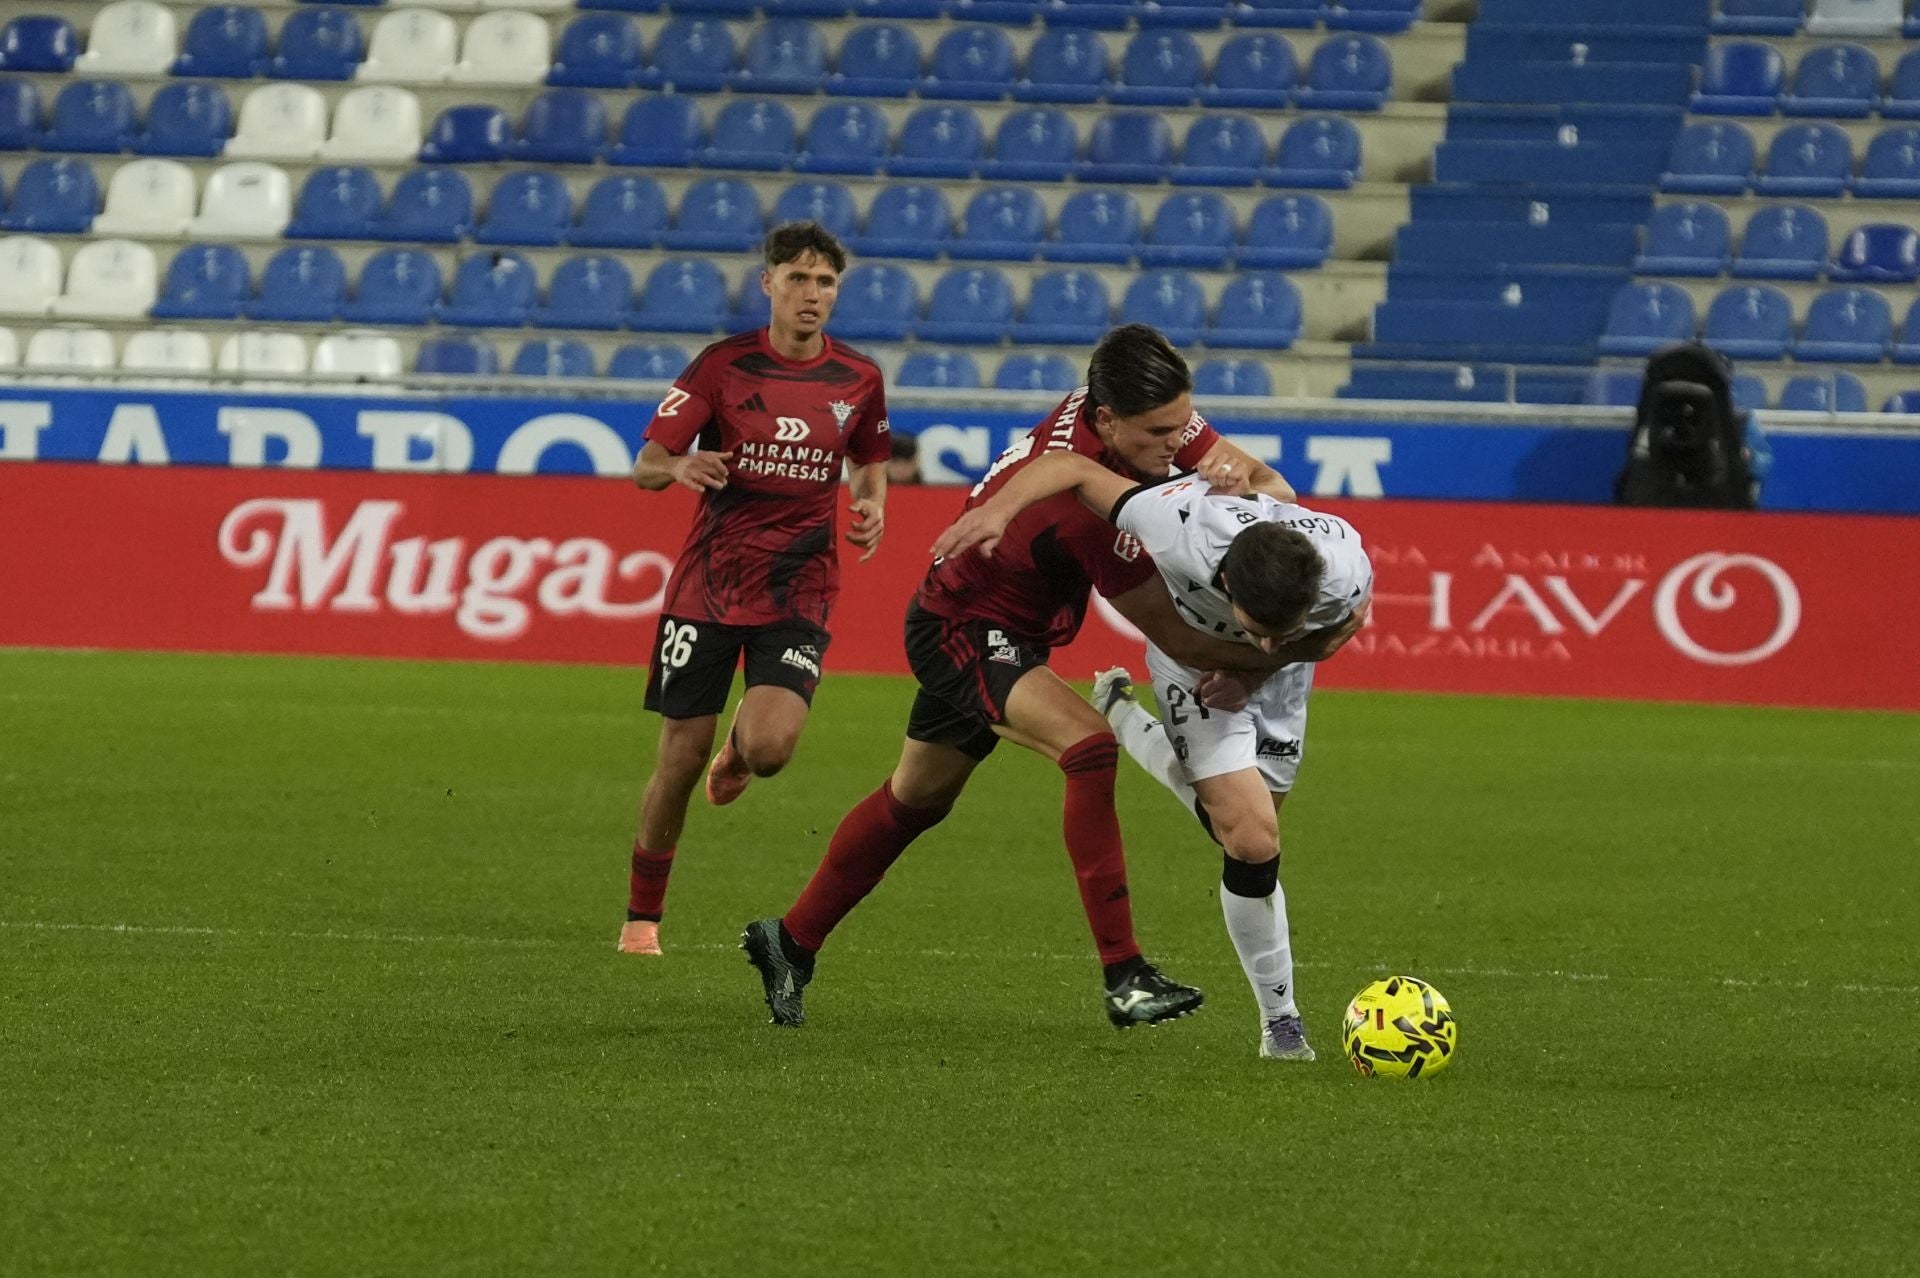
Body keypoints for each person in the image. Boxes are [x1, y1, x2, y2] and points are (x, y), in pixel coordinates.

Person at [740, 324, 1300, 1029]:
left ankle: (788, 941)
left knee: (914, 801)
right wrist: (1287, 649)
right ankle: (1125, 974)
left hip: (996, 623)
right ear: (1105, 420)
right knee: (1089, 747)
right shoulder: (1087, 512)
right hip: (964, 629)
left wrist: (1236, 475)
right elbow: (1176, 635)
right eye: (1160, 432)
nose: (1176, 443)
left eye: (1182, 426)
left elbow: (1269, 485)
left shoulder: (1125, 414)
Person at [931, 448, 1372, 1061]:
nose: (1268, 635)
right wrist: (999, 510)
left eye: (1284, 624)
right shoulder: (1177, 523)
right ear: (1226, 581)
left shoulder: (1342, 558)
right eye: (1256, 623)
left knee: (1245, 821)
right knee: (1251, 839)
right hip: (1189, 666)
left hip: (1280, 681)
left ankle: (1129, 723)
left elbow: (1346, 623)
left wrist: (1260, 665)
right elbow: (1074, 469)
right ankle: (1283, 1024)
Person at [617, 222, 892, 957]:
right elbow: (646, 463)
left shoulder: (859, 379)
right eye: (797, 279)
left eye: (825, 282)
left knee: (770, 750)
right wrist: (678, 469)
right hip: (707, 586)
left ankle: (737, 756)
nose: (812, 294)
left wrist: (873, 505)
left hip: (800, 585)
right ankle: (643, 915)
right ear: (766, 283)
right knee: (677, 759)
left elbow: (870, 459)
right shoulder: (722, 366)